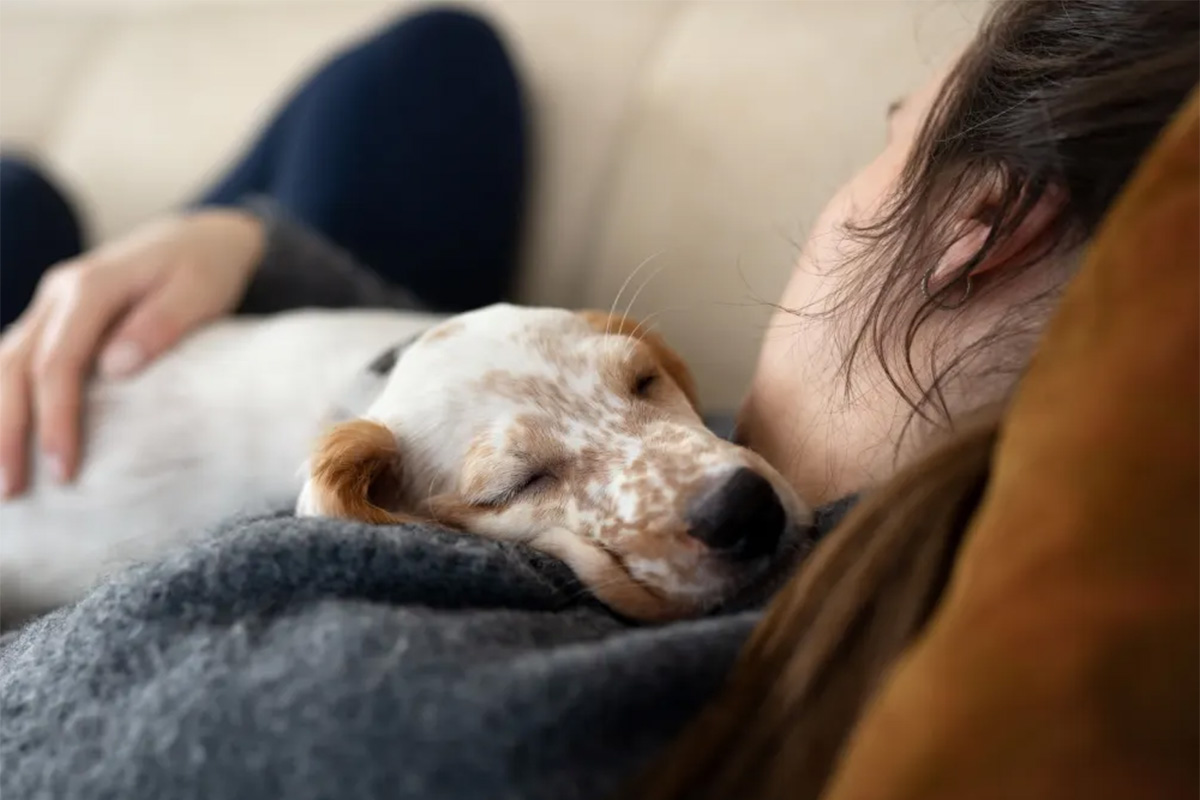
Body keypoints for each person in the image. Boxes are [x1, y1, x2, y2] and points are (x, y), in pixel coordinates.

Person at [0, 3, 1195, 800]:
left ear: (984, 225)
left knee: (20, 203)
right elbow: (495, 402)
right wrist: (232, 250)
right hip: (329, 368)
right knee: (435, 60)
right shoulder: (831, 497)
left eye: (889, 141)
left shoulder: (396, 702)